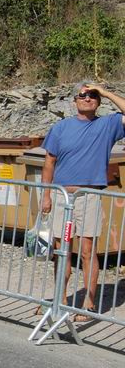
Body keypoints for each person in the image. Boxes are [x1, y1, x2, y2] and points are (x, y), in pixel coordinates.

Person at [40, 82, 125, 321]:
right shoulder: (60, 127)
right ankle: (61, 299)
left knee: (88, 251)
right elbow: (49, 163)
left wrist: (106, 92)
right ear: (74, 100)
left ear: (98, 102)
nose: (88, 98)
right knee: (62, 250)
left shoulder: (107, 125)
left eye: (93, 96)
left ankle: (88, 303)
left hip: (89, 195)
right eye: (83, 95)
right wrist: (46, 195)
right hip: (61, 196)